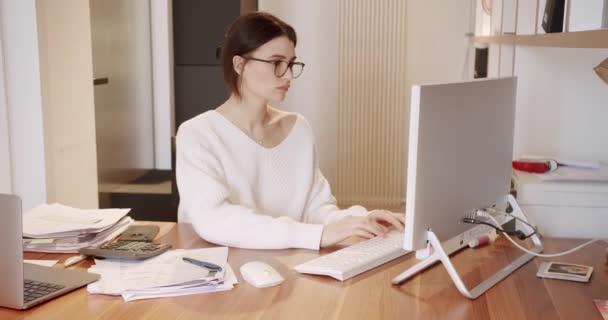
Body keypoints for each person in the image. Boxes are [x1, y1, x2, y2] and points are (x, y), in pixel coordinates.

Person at [176, 11, 404, 250]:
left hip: (286, 264)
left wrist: (359, 221)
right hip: (217, 270)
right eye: (276, 63)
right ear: (240, 64)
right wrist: (316, 235)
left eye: (291, 64)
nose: (288, 75)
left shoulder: (298, 129)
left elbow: (316, 210)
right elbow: (214, 220)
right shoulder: (198, 134)